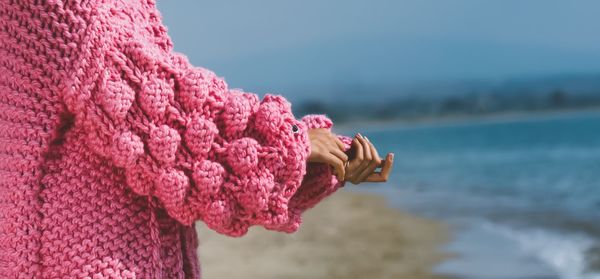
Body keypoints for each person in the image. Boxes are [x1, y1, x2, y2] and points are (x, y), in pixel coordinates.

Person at [0, 0, 394, 278]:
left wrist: (321, 158)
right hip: (89, 260)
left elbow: (173, 153)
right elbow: (157, 108)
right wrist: (292, 144)